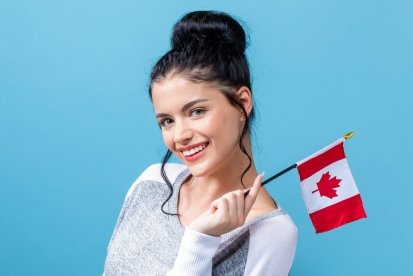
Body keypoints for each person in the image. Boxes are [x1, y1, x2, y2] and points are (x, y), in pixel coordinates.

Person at [104, 10, 297, 275]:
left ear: (242, 103)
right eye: (167, 121)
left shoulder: (271, 232)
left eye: (196, 111)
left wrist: (200, 238)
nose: (179, 136)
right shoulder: (150, 184)